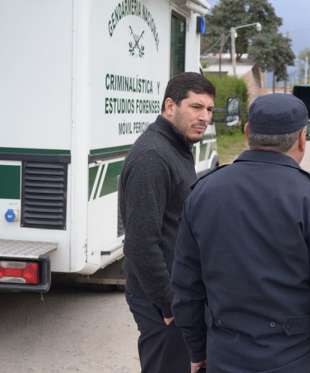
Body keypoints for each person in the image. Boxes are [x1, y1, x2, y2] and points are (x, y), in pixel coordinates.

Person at [171, 93, 310, 373]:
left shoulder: (204, 192)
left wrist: (198, 349)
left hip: (226, 357)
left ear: (247, 132)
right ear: (302, 139)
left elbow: (186, 287)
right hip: (297, 360)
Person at [119, 72, 215, 373]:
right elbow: (141, 242)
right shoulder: (153, 157)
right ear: (170, 106)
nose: (204, 117)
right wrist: (170, 303)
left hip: (176, 294)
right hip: (160, 302)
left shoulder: (175, 147)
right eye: (196, 107)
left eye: (210, 110)